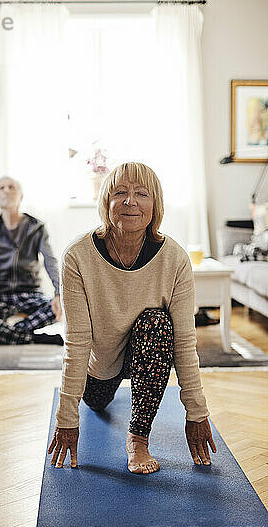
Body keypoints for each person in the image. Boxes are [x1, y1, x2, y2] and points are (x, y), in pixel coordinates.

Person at [48, 162, 217, 474]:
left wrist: (196, 412)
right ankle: (99, 399)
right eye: (120, 193)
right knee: (96, 402)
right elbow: (76, 342)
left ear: (156, 204)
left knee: (157, 323)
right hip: (98, 371)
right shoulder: (77, 255)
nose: (130, 201)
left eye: (142, 193)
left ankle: (138, 438)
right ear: (106, 202)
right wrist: (67, 420)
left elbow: (184, 342)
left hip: (149, 356)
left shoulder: (175, 259)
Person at [0, 176, 63, 345]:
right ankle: (35, 338)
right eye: (1, 188)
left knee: (59, 308)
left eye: (11, 187)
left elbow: (50, 262)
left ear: (21, 196)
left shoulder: (37, 228)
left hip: (31, 294)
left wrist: (59, 293)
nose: (6, 190)